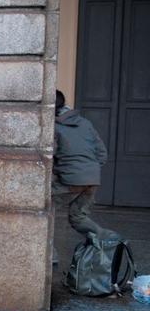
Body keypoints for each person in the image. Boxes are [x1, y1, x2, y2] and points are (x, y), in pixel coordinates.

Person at [53, 90, 108, 240]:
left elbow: (51, 155)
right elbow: (102, 154)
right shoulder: (85, 122)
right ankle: (109, 240)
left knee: (44, 209)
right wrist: (88, 171)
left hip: (71, 180)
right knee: (78, 217)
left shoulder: (53, 127)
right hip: (93, 179)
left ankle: (50, 255)